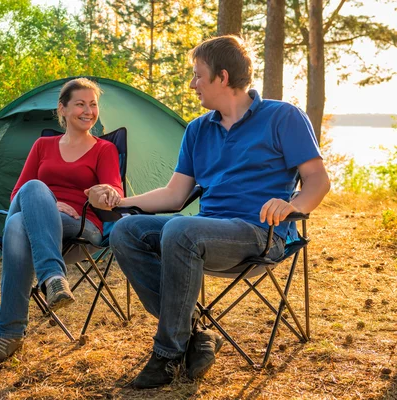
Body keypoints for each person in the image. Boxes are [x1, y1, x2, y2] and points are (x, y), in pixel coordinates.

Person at [87, 35, 330, 389]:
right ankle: (196, 335)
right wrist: (118, 202)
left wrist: (293, 206)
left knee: (182, 232)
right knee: (125, 231)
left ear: (223, 77)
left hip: (261, 233)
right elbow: (174, 195)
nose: (192, 84)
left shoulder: (283, 116)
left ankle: (167, 354)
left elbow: (318, 180)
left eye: (198, 75)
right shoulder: (198, 130)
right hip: (204, 234)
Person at [0, 78, 123, 364]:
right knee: (31, 192)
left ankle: (8, 333)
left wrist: (102, 194)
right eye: (80, 104)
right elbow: (19, 192)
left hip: (81, 226)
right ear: (62, 109)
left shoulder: (105, 149)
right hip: (39, 219)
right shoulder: (43, 145)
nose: (88, 110)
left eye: (93, 104)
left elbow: (113, 193)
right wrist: (50, 203)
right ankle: (53, 278)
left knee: (18, 225)